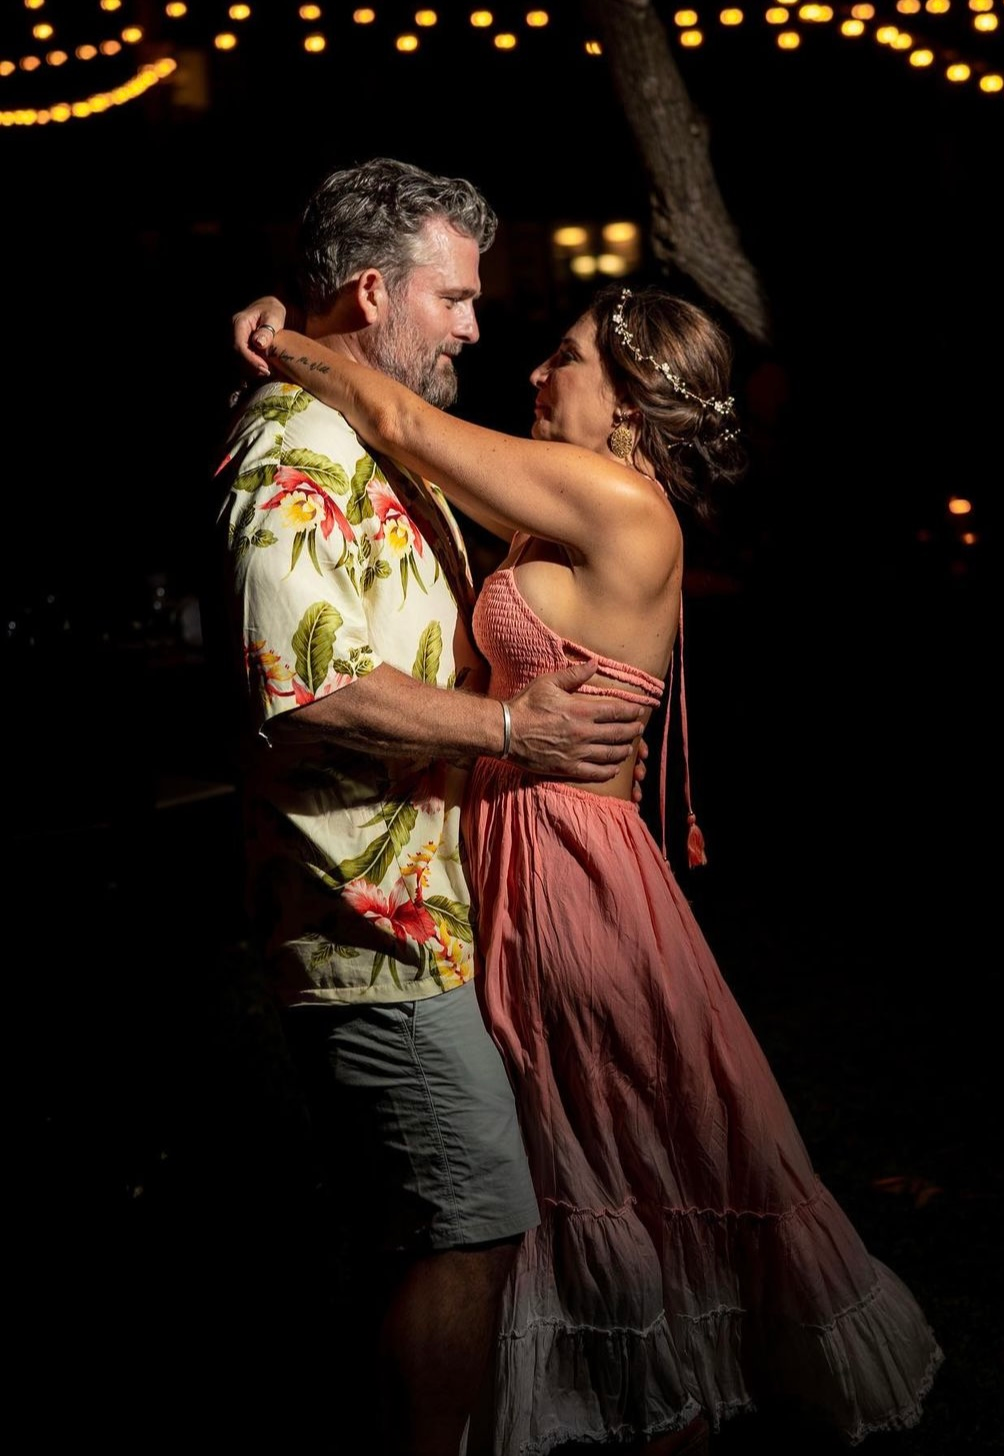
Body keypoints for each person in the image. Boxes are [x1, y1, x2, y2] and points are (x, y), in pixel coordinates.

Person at [233, 277, 944, 1455]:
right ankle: (626, 1408)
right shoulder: (565, 505)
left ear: (629, 401)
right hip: (521, 854)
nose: (533, 372)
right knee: (578, 1154)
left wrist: (285, 338)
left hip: (570, 869)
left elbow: (407, 426)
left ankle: (662, 1414)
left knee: (613, 1152)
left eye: (564, 358)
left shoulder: (618, 499)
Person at [213, 158, 649, 1456]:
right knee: (470, 1220)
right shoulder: (290, 449)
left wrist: (284, 332)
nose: (475, 323)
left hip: (443, 918)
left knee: (438, 1227)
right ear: (372, 291)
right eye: (454, 300)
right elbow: (298, 690)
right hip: (367, 928)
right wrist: (514, 729)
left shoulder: (363, 423)